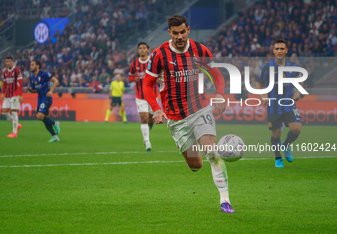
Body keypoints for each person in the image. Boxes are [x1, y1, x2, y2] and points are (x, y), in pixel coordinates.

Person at [143, 15, 234, 213]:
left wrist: (219, 94)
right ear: (169, 33)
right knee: (196, 165)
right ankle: (193, 149)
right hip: (176, 119)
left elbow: (217, 74)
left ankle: (225, 200)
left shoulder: (200, 50)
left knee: (212, 152)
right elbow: (147, 84)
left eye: (182, 32)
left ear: (188, 30)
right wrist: (156, 108)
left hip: (200, 109)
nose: (180, 36)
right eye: (175, 33)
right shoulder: (159, 55)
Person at [256, 39, 302, 168]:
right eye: (277, 49)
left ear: (286, 50)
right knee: (276, 133)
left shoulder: (294, 67)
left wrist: (298, 92)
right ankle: (278, 159)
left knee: (296, 129)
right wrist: (262, 96)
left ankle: (286, 145)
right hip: (273, 106)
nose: (279, 51)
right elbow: (259, 84)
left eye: (282, 48)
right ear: (273, 51)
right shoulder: (267, 67)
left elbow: (300, 81)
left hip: (289, 104)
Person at [129, 42, 159, 151]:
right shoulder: (134, 64)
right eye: (140, 48)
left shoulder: (153, 62)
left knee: (151, 119)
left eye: (144, 48)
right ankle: (147, 142)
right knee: (144, 117)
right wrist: (134, 79)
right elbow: (130, 77)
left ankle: (147, 132)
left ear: (147, 50)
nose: (142, 50)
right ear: (138, 50)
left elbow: (159, 74)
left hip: (152, 96)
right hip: (140, 96)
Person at [24, 60, 61, 142]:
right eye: (30, 65)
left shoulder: (44, 74)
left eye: (32, 65)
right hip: (40, 99)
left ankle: (55, 123)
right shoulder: (33, 77)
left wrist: (51, 91)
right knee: (44, 118)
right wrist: (29, 89)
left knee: (39, 116)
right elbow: (35, 90)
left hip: (46, 98)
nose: (30, 66)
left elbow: (56, 81)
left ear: (37, 66)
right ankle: (54, 136)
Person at [1, 56, 23, 137]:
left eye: (9, 61)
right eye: (6, 62)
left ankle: (14, 132)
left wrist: (20, 95)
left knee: (14, 112)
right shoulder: (5, 72)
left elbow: (20, 83)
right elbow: (4, 83)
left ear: (13, 61)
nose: (8, 63)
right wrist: (3, 93)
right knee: (4, 112)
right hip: (7, 95)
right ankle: (17, 125)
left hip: (15, 94)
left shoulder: (17, 70)